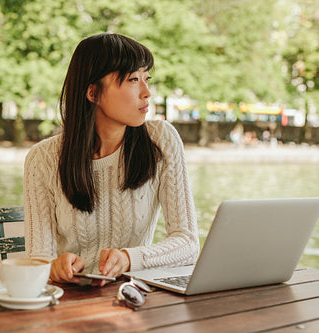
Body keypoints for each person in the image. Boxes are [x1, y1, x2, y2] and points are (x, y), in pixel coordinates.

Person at [23, 33, 199, 286]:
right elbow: (37, 259)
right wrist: (54, 267)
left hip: (132, 298)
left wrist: (130, 258)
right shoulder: (43, 159)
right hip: (68, 302)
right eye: (133, 80)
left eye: (147, 79)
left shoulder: (160, 140)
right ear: (93, 92)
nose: (146, 92)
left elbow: (188, 243)